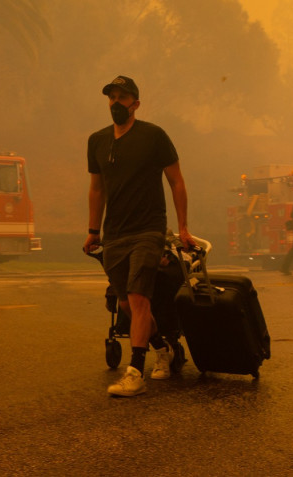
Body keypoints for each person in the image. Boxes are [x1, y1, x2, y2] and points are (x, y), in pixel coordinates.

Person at [84, 75, 196, 397]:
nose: (116, 103)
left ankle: (135, 372)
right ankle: (161, 347)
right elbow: (96, 189)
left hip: (149, 229)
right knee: (127, 305)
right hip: (115, 233)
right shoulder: (97, 141)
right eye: (112, 97)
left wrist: (183, 227)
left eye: (122, 97)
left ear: (136, 103)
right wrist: (93, 231)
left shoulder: (154, 136)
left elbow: (177, 182)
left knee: (138, 296)